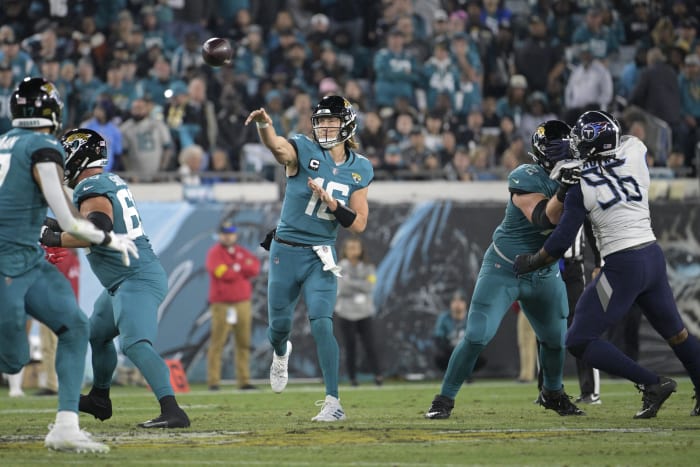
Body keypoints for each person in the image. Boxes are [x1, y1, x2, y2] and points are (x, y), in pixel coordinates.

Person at [513, 110, 700, 419]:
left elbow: (560, 242)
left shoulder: (580, 183)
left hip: (622, 267)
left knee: (578, 338)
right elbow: (619, 142)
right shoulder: (635, 151)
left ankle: (652, 383)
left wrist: (532, 261)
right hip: (652, 258)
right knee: (676, 333)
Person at [0, 77, 139, 453]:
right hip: (6, 264)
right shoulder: (43, 148)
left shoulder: (6, 143)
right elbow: (72, 221)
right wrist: (110, 238)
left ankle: (65, 425)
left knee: (75, 327)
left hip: (28, 259)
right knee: (11, 361)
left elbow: (62, 204)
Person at [425, 120, 585, 419]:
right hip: (504, 268)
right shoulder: (525, 175)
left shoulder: (582, 178)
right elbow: (542, 219)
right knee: (476, 335)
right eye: (556, 150)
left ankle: (553, 392)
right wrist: (564, 188)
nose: (562, 155)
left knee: (555, 339)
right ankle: (443, 399)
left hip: (545, 271)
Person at [39, 128, 190, 429]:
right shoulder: (105, 182)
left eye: (67, 152)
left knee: (134, 344)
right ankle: (100, 398)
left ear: (80, 155)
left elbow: (97, 231)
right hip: (121, 281)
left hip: (135, 277)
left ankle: (173, 410)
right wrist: (50, 227)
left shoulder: (91, 186)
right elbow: (87, 224)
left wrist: (54, 236)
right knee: (96, 333)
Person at [244, 95, 373, 421]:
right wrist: (264, 125)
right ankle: (280, 351)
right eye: (321, 121)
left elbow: (357, 224)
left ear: (347, 123)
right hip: (286, 251)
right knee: (279, 327)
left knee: (321, 321)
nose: (325, 127)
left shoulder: (360, 168)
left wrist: (333, 204)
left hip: (321, 254)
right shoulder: (303, 148)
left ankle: (333, 402)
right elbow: (277, 147)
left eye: (331, 120)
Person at [205, 219, 261, 391]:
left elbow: (255, 268)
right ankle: (214, 381)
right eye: (225, 234)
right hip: (222, 304)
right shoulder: (214, 253)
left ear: (235, 235)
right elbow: (221, 273)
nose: (228, 237)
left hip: (242, 303)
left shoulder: (242, 252)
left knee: (243, 342)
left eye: (231, 234)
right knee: (218, 342)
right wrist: (239, 268)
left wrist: (235, 268)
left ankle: (244, 380)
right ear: (220, 235)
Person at [335, 236, 382, 387]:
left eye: (356, 248)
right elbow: (342, 288)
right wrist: (361, 284)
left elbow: (371, 286)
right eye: (350, 248)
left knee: (370, 345)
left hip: (365, 312)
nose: (353, 251)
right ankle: (352, 378)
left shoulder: (369, 267)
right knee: (350, 346)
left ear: (361, 250)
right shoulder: (339, 267)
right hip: (346, 313)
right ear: (345, 250)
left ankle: (378, 375)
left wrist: (351, 282)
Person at [37, 248, 81, 397]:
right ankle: (69, 382)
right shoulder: (74, 255)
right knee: (65, 347)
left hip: (54, 305)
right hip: (70, 305)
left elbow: (52, 279)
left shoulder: (59, 254)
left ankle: (53, 384)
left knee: (50, 347)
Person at [433, 289, 486, 378]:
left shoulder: (472, 317)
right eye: (454, 301)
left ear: (465, 303)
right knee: (439, 357)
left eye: (461, 301)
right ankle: (451, 374)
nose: (457, 304)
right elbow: (438, 339)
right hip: (449, 352)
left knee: (478, 356)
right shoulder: (444, 318)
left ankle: (466, 373)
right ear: (450, 304)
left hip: (466, 351)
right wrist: (453, 351)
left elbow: (478, 338)